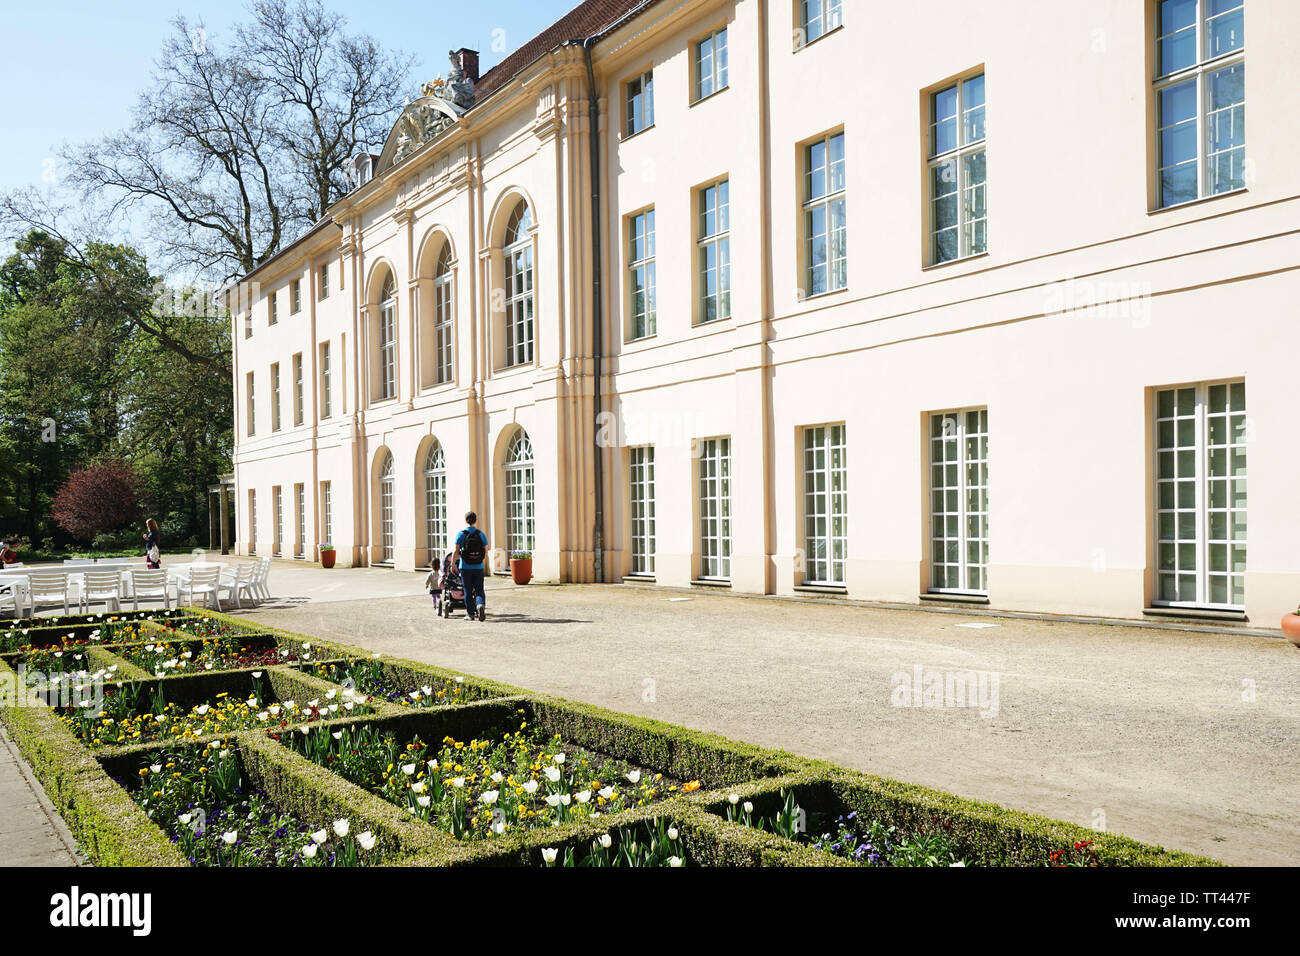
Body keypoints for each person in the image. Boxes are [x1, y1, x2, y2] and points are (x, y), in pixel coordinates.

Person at [451, 511, 488, 622]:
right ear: (475, 520)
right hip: (478, 567)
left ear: (466, 520)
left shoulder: (461, 534)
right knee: (479, 589)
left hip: (465, 567)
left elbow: (456, 551)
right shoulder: (481, 534)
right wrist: (479, 560)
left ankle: (470, 614)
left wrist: (452, 564)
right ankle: (480, 605)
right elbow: (485, 550)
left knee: (467, 590)